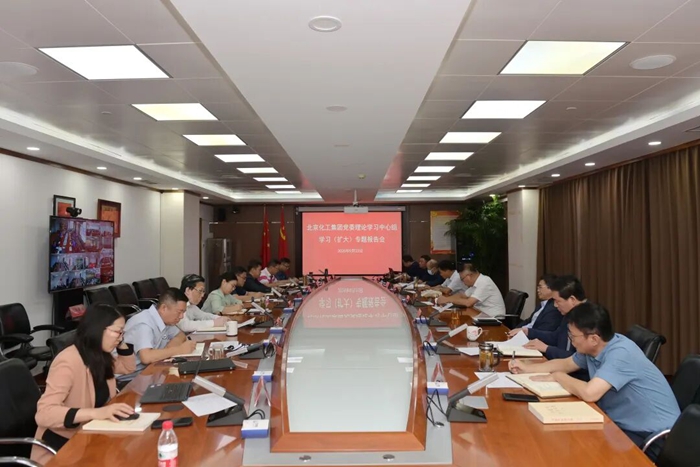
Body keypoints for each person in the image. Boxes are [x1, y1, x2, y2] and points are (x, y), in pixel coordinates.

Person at [509, 302, 680, 461]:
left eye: (572, 335)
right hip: (620, 424)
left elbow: (590, 393)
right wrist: (526, 368)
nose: (570, 340)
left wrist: (558, 376)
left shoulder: (621, 353)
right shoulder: (595, 348)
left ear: (593, 339)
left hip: (652, 437)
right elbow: (566, 364)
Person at [32, 305, 136, 464]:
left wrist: (120, 341)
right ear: (98, 329)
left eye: (122, 333)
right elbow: (44, 413)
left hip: (91, 434)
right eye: (118, 331)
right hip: (62, 446)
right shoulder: (68, 361)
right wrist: (96, 413)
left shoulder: (99, 355)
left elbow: (128, 367)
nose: (120, 337)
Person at [122, 288, 196, 377]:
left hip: (151, 370)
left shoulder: (164, 319)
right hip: (131, 377)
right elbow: (146, 357)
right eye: (179, 312)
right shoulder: (144, 324)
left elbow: (180, 335)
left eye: (183, 312)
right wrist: (178, 350)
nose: (181, 316)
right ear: (164, 308)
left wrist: (168, 349)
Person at [522, 275, 586, 359]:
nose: (555, 305)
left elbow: (579, 360)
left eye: (557, 301)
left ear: (572, 300)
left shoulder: (588, 319)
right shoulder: (569, 313)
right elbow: (555, 337)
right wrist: (528, 332)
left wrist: (547, 349)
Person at [437, 263, 505, 316]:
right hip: (480, 314)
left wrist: (448, 300)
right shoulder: (475, 283)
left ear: (469, 276)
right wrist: (446, 299)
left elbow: (468, 303)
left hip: (493, 318)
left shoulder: (484, 282)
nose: (463, 282)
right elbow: (462, 295)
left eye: (462, 279)